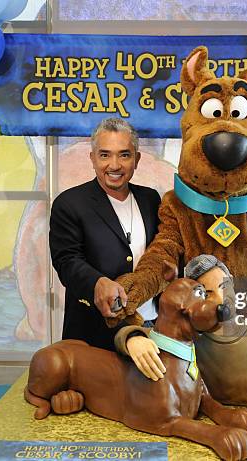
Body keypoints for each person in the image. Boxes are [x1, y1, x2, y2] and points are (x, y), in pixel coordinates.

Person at [115, 255, 247, 460]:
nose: (220, 299)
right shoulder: (186, 341)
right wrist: (132, 338)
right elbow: (150, 338)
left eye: (224, 286)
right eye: (206, 294)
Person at [49, 118, 161, 351]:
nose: (114, 165)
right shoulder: (69, 204)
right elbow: (67, 261)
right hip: (95, 333)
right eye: (105, 155)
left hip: (153, 327)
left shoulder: (151, 199)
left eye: (124, 155)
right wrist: (97, 283)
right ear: (92, 159)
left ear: (136, 159)